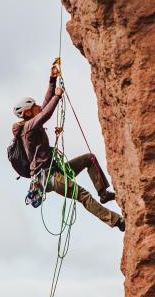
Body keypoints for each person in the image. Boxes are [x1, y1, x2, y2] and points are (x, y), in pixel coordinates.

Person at [12, 64, 125, 231]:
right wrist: (57, 97)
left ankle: (103, 194)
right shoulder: (28, 128)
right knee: (83, 195)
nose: (38, 106)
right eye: (34, 106)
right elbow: (46, 113)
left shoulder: (30, 123)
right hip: (49, 176)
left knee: (89, 158)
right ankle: (117, 222)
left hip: (54, 170)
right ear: (28, 113)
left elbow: (44, 107)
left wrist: (52, 80)